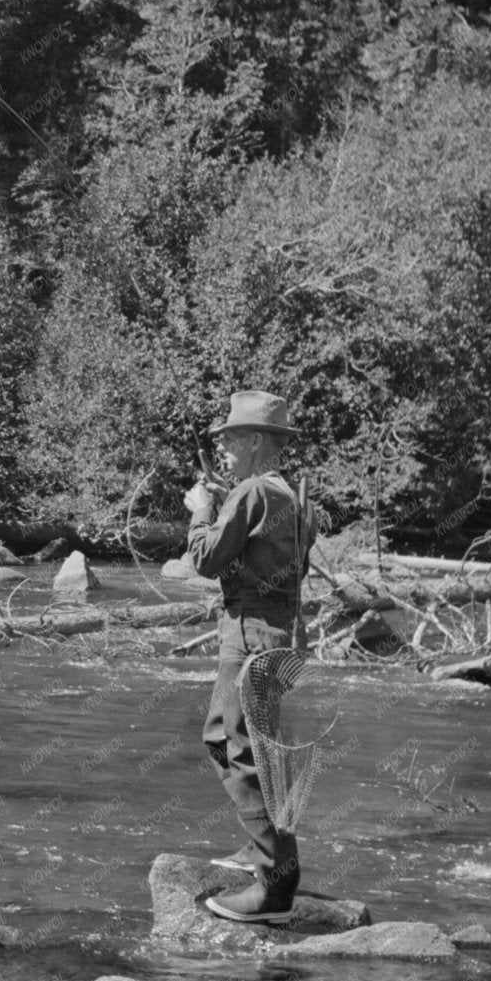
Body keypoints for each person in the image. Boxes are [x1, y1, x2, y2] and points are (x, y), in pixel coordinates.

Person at [183, 391, 313, 922]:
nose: (222, 446)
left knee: (243, 751)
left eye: (231, 438)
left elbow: (206, 560)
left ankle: (275, 887)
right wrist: (230, 499)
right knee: (230, 739)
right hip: (273, 633)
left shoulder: (253, 491)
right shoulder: (291, 494)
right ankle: (260, 844)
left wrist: (203, 510)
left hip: (250, 634)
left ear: (257, 441)